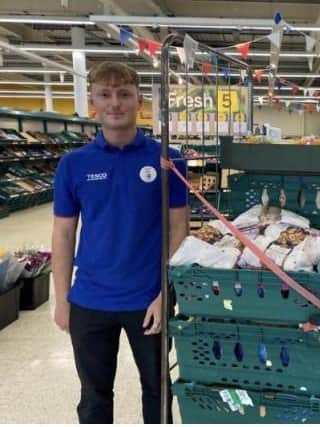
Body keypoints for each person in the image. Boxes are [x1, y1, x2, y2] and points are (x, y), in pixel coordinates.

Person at [52, 62, 188, 423]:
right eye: (105, 95)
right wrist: (62, 299)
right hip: (89, 301)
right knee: (94, 397)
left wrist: (165, 292)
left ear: (139, 101)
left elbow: (179, 230)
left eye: (124, 94)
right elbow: (63, 234)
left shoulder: (167, 160)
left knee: (158, 392)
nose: (115, 103)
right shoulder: (73, 164)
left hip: (149, 301)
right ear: (92, 103)